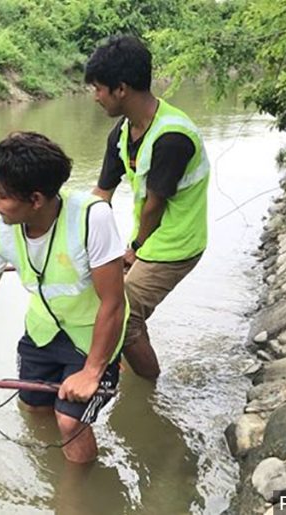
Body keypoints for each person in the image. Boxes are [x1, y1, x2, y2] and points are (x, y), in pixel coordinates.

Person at [0, 132, 128, 464]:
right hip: (43, 330)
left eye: (0, 195)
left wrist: (92, 371)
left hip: (92, 336)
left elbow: (113, 303)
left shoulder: (92, 217)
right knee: (32, 405)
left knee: (70, 420)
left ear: (35, 199)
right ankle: (47, 465)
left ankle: (78, 492)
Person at [84, 35, 210, 381]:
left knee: (122, 316)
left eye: (98, 88)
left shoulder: (172, 137)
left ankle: (150, 386)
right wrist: (77, 242)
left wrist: (134, 250)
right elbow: (101, 194)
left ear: (120, 88)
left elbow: (154, 206)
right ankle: (132, 359)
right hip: (147, 238)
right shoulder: (122, 133)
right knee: (110, 301)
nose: (95, 96)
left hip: (176, 244)